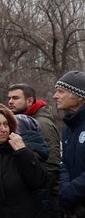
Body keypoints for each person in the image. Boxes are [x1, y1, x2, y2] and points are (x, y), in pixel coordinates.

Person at [8, 82, 62, 216]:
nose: (10, 102)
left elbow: (51, 163)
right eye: (9, 98)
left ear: (30, 100)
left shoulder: (41, 123)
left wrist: (42, 191)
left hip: (44, 194)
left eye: (15, 98)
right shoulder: (26, 121)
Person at [55, 71, 85, 217]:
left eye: (61, 92)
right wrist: (65, 190)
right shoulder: (68, 126)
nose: (55, 96)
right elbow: (64, 163)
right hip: (73, 206)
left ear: (79, 96)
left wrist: (71, 192)